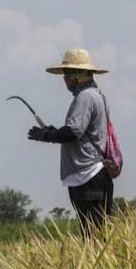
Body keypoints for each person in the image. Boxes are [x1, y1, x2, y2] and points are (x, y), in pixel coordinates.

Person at [27, 48, 113, 238]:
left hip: (87, 177)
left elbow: (73, 132)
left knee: (92, 236)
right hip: (94, 176)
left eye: (68, 74)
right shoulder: (97, 95)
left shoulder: (85, 98)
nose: (65, 79)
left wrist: (45, 135)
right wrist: (52, 132)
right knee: (98, 234)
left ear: (80, 75)